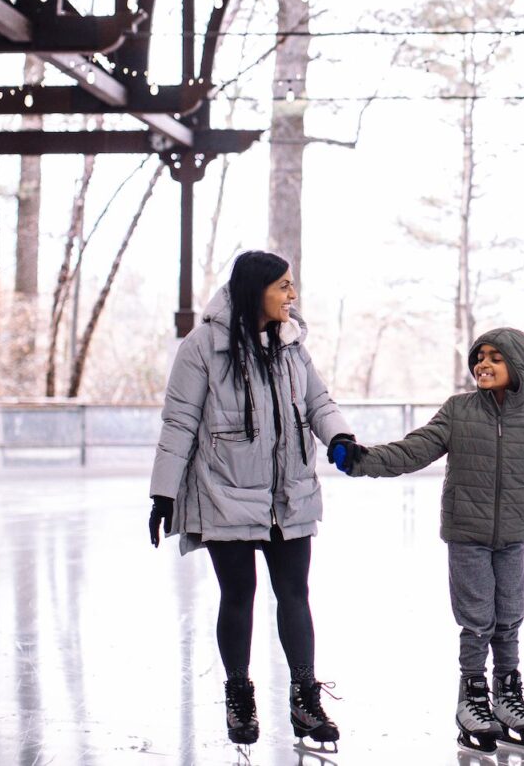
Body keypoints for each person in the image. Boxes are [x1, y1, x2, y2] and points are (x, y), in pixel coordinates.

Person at [333, 327, 524, 752]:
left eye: (496, 357)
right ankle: (472, 697)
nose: (484, 364)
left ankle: (507, 693)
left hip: (511, 533)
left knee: (510, 616)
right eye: (480, 357)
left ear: (519, 366)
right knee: (477, 619)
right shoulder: (458, 410)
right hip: (467, 533)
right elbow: (413, 450)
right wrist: (362, 460)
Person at [147, 250, 365, 752]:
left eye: (292, 285)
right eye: (283, 285)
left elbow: (318, 401)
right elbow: (179, 422)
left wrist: (339, 437)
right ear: (255, 289)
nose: (292, 295)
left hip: (290, 490)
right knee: (239, 594)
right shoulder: (203, 346)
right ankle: (239, 695)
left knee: (295, 594)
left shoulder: (291, 344)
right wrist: (163, 491)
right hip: (225, 488)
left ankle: (305, 700)